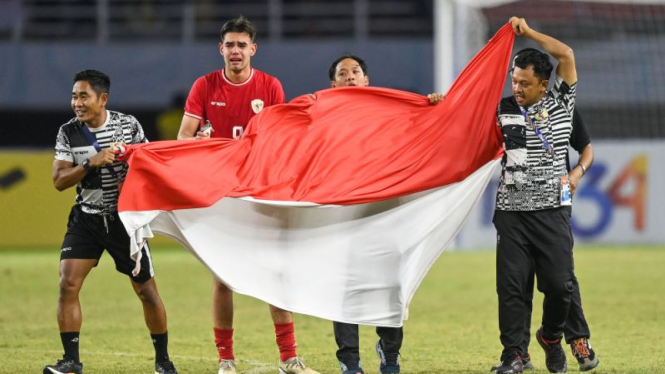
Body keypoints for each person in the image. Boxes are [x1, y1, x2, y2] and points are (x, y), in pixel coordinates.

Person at [177, 16, 319, 374]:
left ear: (252, 49)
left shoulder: (270, 87)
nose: (236, 51)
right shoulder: (205, 86)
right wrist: (200, 144)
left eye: (242, 45)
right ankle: (226, 359)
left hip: (259, 190)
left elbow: (279, 138)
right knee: (223, 279)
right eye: (230, 45)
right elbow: (182, 139)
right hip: (220, 193)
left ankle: (289, 357)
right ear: (220, 48)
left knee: (274, 272)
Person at [46, 70, 177, 374]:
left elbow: (147, 165)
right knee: (67, 284)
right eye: (74, 96)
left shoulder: (127, 125)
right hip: (87, 220)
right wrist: (90, 163)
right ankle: (71, 362)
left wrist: (130, 180)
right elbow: (59, 180)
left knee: (146, 291)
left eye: (83, 96)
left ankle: (163, 360)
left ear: (102, 98)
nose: (76, 103)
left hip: (123, 222)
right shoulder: (68, 132)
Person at [327, 54, 443, 374]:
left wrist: (435, 109)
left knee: (391, 287)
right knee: (344, 289)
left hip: (387, 215)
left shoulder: (390, 113)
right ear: (333, 84)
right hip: (342, 215)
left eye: (356, 72)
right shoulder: (321, 119)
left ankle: (390, 354)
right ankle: (349, 360)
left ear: (367, 81)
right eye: (343, 73)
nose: (350, 76)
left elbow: (423, 133)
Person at [491, 17, 587, 374]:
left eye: (525, 84)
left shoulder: (563, 100)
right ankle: (514, 355)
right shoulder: (502, 108)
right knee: (512, 289)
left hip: (552, 210)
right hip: (511, 213)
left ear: (545, 85)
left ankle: (550, 336)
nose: (517, 88)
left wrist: (528, 33)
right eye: (514, 81)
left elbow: (566, 53)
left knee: (561, 286)